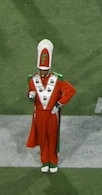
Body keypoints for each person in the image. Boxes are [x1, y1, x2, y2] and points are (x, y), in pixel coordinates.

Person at [26, 39, 75, 174]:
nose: (42, 72)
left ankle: (53, 161)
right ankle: (44, 161)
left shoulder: (57, 79)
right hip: (40, 112)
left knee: (52, 138)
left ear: (49, 68)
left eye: (45, 70)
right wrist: (31, 96)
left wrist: (59, 104)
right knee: (42, 138)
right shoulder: (32, 80)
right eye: (41, 70)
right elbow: (32, 94)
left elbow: (71, 90)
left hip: (52, 113)